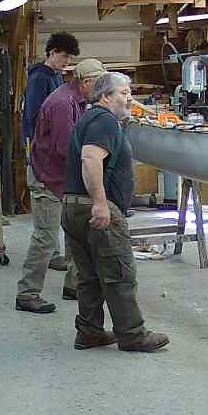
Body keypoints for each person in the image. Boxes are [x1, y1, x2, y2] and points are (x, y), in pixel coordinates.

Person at [61, 71, 169, 352]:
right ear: (105, 97)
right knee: (119, 273)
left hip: (73, 205)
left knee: (89, 277)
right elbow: (90, 158)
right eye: (124, 93)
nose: (130, 98)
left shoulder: (91, 119)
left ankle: (89, 332)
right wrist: (99, 203)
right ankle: (132, 335)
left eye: (130, 92)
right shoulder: (104, 121)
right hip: (95, 207)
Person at [16, 58, 106, 313]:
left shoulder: (78, 101)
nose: (102, 90)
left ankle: (74, 285)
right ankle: (26, 293)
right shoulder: (62, 104)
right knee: (45, 238)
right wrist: (95, 164)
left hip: (63, 178)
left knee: (77, 232)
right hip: (47, 178)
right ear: (86, 83)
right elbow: (66, 148)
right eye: (99, 84)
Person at [21, 33, 79, 278]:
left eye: (70, 58)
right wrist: (46, 142)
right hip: (41, 145)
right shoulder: (39, 78)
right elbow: (34, 115)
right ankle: (51, 254)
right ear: (52, 52)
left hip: (52, 144)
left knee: (55, 204)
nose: (67, 61)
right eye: (64, 56)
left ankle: (54, 253)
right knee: (45, 200)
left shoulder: (56, 76)